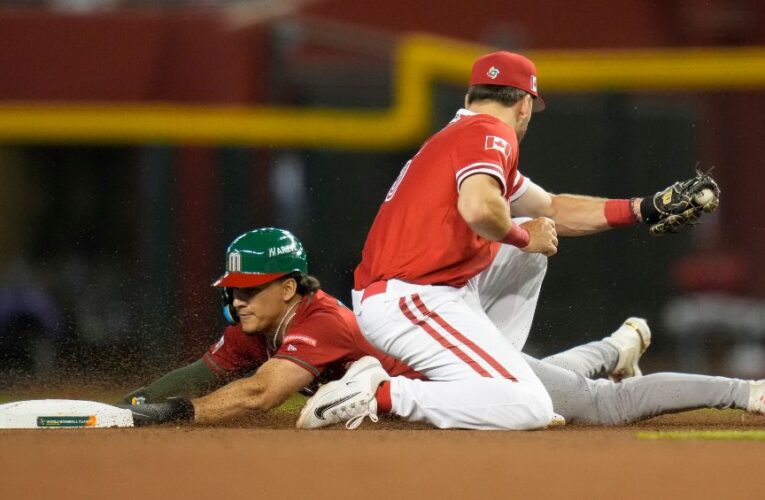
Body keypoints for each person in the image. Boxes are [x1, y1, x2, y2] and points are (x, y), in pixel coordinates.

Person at [296, 50, 725, 429]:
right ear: (524, 105)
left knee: (535, 247)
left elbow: (553, 207)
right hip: (411, 297)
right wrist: (523, 236)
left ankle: (492, 379)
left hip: (420, 292)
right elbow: (480, 209)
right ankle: (380, 393)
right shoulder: (490, 135)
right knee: (530, 408)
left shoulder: (464, 136)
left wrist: (642, 207)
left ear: (470, 97)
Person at [123, 228, 765, 430]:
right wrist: (137, 405)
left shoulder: (316, 321)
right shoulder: (259, 323)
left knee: (599, 407)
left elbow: (263, 392)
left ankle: (746, 392)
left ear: (288, 285)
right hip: (447, 378)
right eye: (231, 293)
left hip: (459, 377)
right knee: (554, 385)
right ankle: (618, 346)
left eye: (246, 290)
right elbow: (208, 372)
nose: (235, 303)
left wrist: (170, 417)